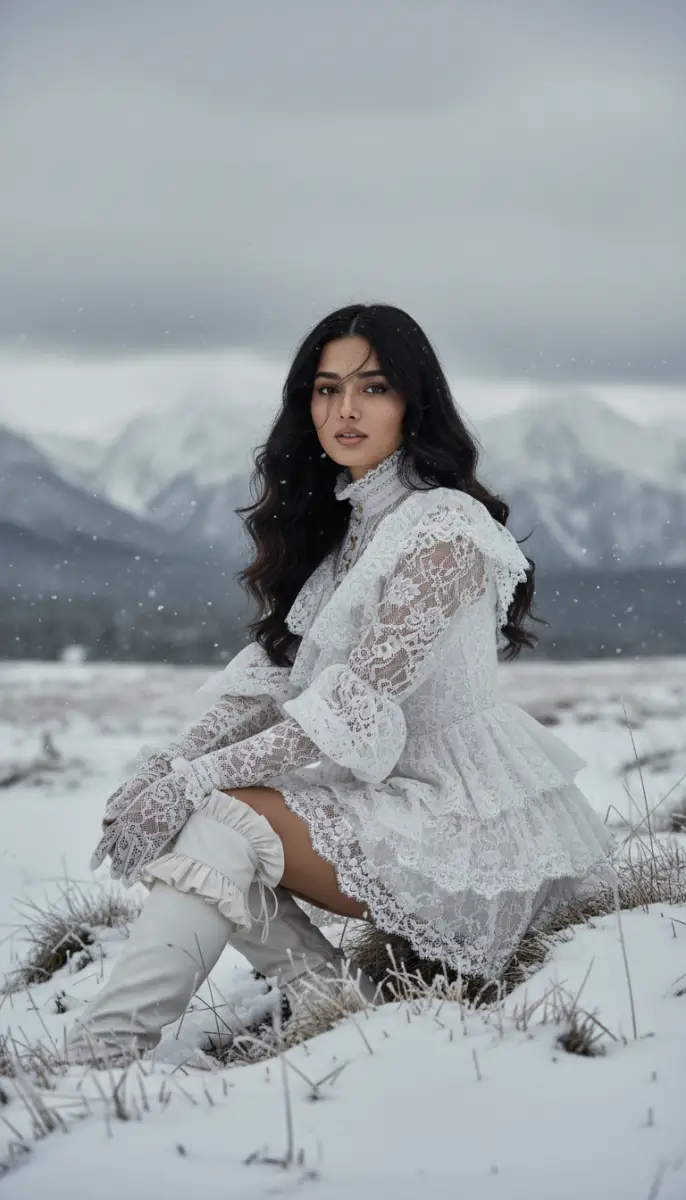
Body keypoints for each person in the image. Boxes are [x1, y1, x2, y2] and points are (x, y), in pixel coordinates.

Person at [67, 303, 617, 1064]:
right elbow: (268, 687)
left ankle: (99, 1053)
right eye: (327, 390)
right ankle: (335, 1007)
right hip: (396, 797)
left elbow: (349, 708)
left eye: (373, 387)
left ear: (414, 401)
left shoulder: (444, 525)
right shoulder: (340, 532)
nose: (346, 409)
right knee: (211, 825)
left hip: (471, 823)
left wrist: (192, 782)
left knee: (221, 817)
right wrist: (165, 768)